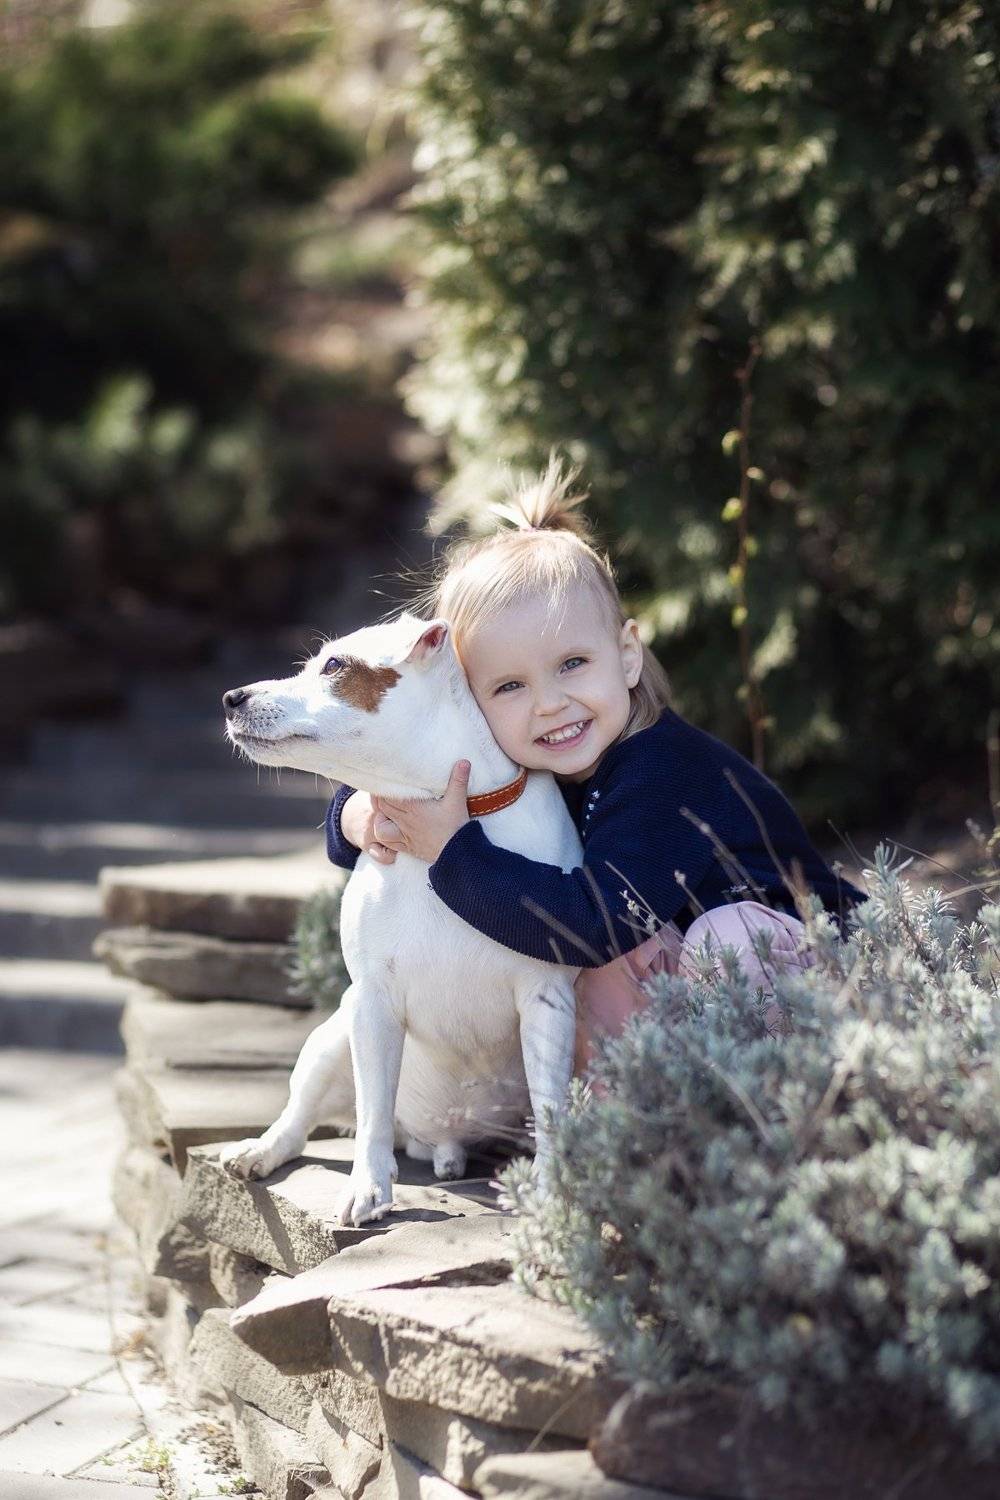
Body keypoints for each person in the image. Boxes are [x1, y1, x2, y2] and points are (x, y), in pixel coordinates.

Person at [325, 457, 865, 1072]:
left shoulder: (662, 770)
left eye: (573, 664)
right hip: (680, 966)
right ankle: (629, 1108)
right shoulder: (523, 763)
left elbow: (595, 924)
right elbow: (411, 764)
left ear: (627, 655)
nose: (549, 704)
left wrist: (454, 852)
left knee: (709, 940)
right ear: (469, 705)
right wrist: (357, 814)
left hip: (822, 966)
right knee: (594, 963)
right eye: (509, 686)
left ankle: (770, 1105)